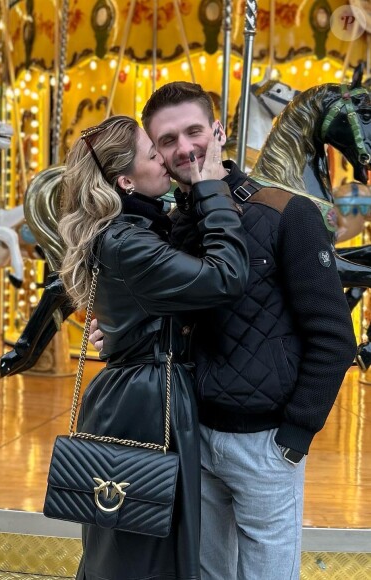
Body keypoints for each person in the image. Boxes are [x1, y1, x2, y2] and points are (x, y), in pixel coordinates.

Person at [89, 82, 357, 580]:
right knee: (208, 572)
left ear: (219, 130)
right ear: (159, 157)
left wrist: (295, 434)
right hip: (192, 435)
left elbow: (333, 336)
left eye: (194, 131)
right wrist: (120, 331)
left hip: (265, 441)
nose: (184, 148)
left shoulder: (285, 212)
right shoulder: (173, 225)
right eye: (167, 141)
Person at [59, 114, 248, 580]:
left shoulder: (135, 229)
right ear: (125, 180)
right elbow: (225, 277)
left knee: (139, 540)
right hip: (145, 400)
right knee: (141, 550)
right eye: (152, 154)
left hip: (143, 389)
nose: (165, 158)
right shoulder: (127, 241)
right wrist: (212, 193)